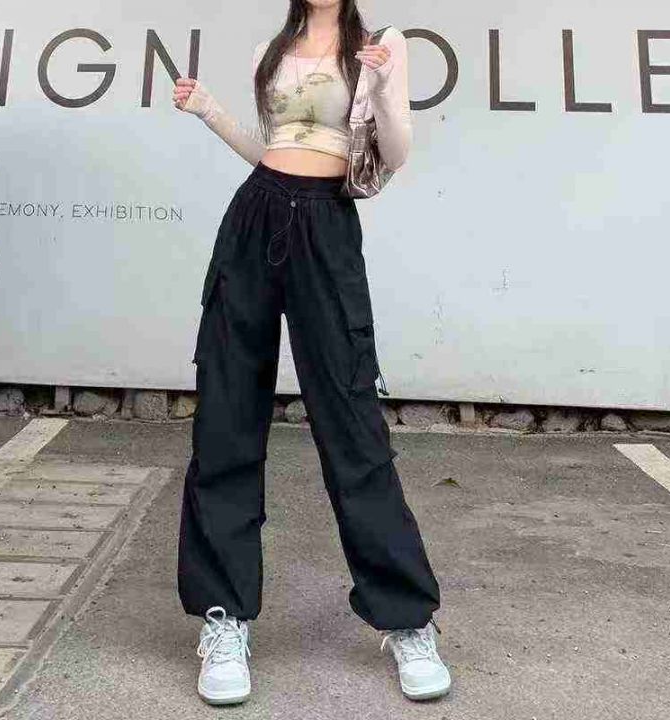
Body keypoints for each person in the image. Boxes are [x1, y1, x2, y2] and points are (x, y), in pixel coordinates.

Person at [172, 0, 452, 706]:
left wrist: (380, 87)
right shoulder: (271, 51)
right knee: (227, 415)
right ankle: (224, 616)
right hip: (255, 214)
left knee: (352, 424)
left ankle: (408, 620)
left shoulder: (380, 43)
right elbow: (267, 148)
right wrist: (208, 111)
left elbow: (395, 154)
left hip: (327, 225)